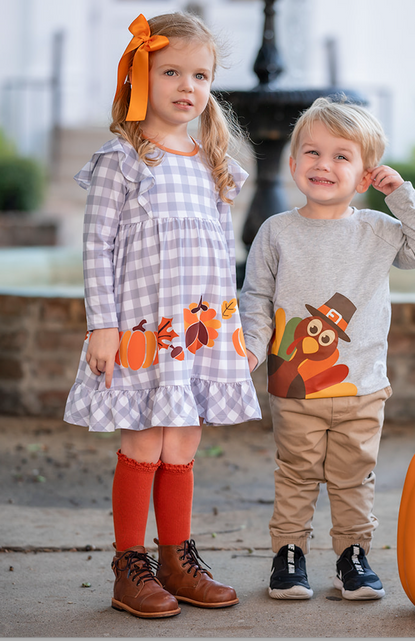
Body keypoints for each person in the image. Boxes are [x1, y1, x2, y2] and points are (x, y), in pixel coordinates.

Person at [63, 12, 261, 619]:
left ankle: (177, 560)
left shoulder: (212, 162)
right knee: (144, 439)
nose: (187, 86)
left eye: (200, 75)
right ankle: (131, 566)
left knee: (184, 440)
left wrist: (232, 331)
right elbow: (96, 247)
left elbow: (222, 255)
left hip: (198, 330)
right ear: (138, 79)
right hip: (143, 330)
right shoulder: (122, 160)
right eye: (170, 71)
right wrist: (103, 324)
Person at [239, 96, 415, 601]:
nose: (324, 165)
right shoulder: (276, 231)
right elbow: (257, 296)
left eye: (341, 156)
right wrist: (250, 347)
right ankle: (289, 556)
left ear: (365, 174)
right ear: (293, 163)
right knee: (298, 473)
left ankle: (353, 556)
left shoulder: (378, 230)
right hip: (292, 385)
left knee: (354, 476)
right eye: (312, 152)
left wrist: (402, 195)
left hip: (364, 385)